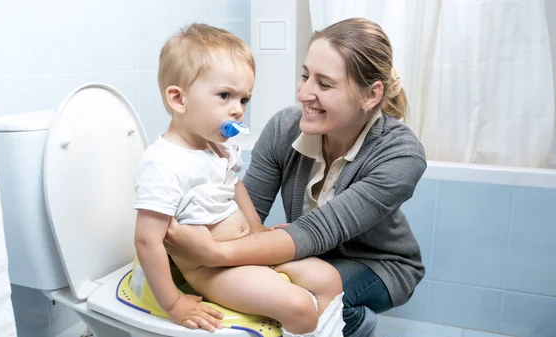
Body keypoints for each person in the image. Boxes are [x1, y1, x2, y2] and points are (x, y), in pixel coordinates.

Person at [164, 17, 427, 337]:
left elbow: (319, 232)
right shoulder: (284, 127)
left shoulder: (401, 154)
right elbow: (250, 214)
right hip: (308, 251)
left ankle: (358, 323)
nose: (304, 93)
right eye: (305, 76)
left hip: (378, 264)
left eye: (324, 84)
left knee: (303, 301)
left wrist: (210, 254)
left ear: (370, 95)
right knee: (264, 290)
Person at [132, 23, 345, 336]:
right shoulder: (164, 163)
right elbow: (146, 240)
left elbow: (235, 186)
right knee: (299, 307)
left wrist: (257, 230)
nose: (238, 111)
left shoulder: (218, 145)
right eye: (224, 96)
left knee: (330, 279)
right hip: (209, 268)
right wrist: (174, 303)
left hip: (240, 249)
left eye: (244, 99)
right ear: (179, 99)